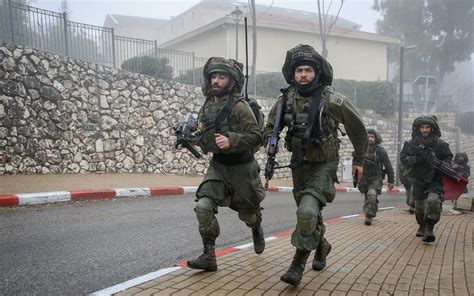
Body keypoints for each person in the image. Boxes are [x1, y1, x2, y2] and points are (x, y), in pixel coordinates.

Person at [263, 44, 368, 286]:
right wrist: (271, 139)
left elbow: (358, 129)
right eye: (299, 70)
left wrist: (360, 161)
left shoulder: (332, 100)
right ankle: (322, 245)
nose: (303, 75)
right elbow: (270, 127)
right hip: (299, 165)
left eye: (308, 70)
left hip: (325, 164)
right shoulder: (285, 100)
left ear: (317, 73)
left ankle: (297, 265)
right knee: (308, 215)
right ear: (293, 73)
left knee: (307, 212)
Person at [186, 57, 266, 271]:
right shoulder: (207, 106)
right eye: (213, 76)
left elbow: (257, 136)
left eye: (221, 76)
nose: (216, 80)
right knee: (203, 206)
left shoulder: (240, 107)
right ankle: (209, 256)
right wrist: (195, 140)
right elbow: (207, 135)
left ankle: (256, 226)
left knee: (248, 215)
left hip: (242, 168)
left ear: (230, 81)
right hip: (219, 166)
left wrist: (232, 140)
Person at [400, 115, 453, 243]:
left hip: (435, 179)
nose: (425, 130)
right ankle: (422, 225)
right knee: (419, 208)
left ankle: (429, 228)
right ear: (418, 129)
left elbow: (448, 157)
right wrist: (417, 160)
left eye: (427, 127)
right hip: (419, 179)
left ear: (432, 128)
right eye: (422, 127)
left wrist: (441, 164)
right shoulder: (413, 144)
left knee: (433, 201)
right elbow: (403, 157)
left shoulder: (440, 144)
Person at [358, 128, 395, 225]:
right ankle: (370, 209)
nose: (370, 139)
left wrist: (391, 180)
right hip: (364, 178)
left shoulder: (380, 151)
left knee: (371, 195)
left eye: (372, 137)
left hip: (376, 178)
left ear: (376, 138)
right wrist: (356, 178)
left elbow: (388, 166)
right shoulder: (361, 150)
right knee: (368, 197)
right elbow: (356, 165)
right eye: (368, 136)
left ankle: (369, 216)